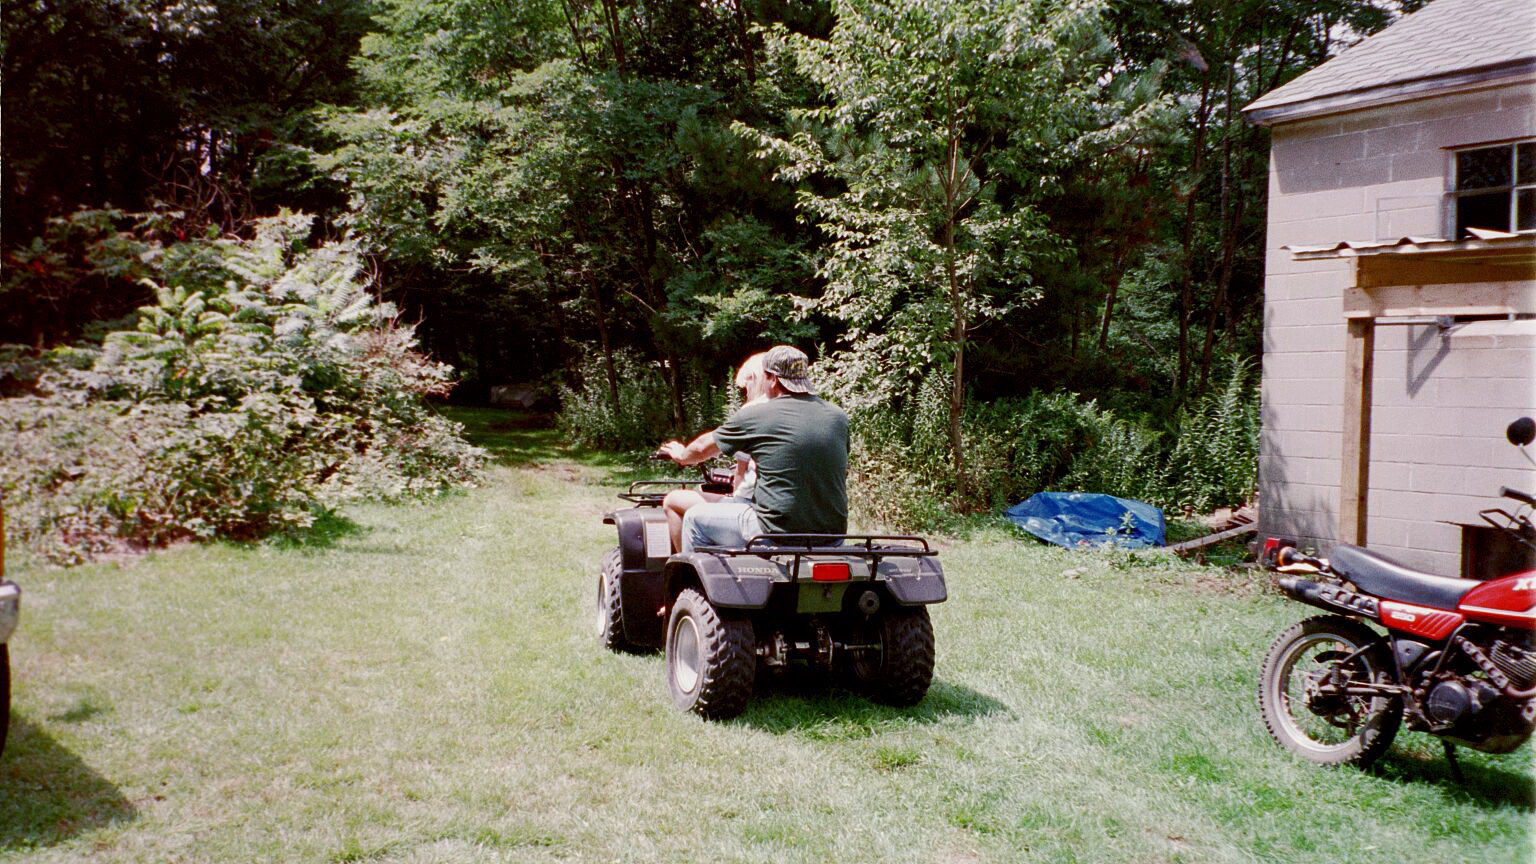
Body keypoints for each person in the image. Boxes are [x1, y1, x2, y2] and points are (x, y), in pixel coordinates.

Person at [658, 345, 848, 552]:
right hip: (833, 535)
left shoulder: (758, 414)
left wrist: (681, 456)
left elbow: (702, 448)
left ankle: (687, 573)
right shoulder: (838, 416)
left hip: (774, 531)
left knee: (695, 517)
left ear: (772, 379)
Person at [658, 353, 768, 552]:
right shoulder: (794, 412)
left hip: (751, 508)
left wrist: (680, 455)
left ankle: (684, 564)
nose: (746, 394)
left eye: (745, 387)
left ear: (753, 378)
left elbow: (706, 451)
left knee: (673, 500)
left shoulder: (752, 412)